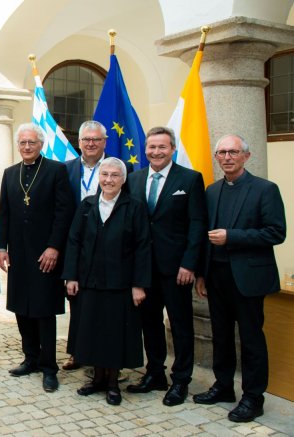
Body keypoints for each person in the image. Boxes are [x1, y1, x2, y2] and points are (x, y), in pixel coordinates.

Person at [194, 134, 286, 423]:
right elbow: (204, 235)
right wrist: (200, 274)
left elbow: (276, 232)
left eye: (233, 152)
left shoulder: (265, 189)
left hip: (247, 278)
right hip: (216, 276)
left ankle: (253, 397)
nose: (227, 157)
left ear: (246, 156)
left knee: (250, 339)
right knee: (220, 336)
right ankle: (223, 387)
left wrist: (231, 237)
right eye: (221, 152)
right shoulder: (211, 190)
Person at [125, 126, 207, 406]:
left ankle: (181, 380)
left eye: (162, 147)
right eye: (151, 147)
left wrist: (189, 264)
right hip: (144, 268)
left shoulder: (190, 179)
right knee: (149, 324)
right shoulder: (133, 179)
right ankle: (155, 373)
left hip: (176, 270)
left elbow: (197, 225)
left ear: (172, 149)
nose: (156, 152)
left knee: (181, 325)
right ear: (144, 150)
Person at [62, 157, 151, 406]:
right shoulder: (87, 204)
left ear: (123, 179)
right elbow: (74, 241)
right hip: (89, 280)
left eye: (114, 175)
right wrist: (71, 275)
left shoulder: (134, 206)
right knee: (91, 330)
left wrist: (138, 284)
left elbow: (142, 247)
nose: (108, 180)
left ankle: (112, 383)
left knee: (113, 333)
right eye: (105, 175)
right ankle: (97, 378)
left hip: (120, 283)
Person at [0, 123, 74, 392]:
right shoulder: (10, 173)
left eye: (32, 143)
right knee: (21, 307)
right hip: (18, 252)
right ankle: (30, 358)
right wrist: (1, 247)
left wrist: (54, 247)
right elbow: (4, 212)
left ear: (41, 144)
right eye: (23, 143)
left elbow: (64, 213)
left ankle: (49, 367)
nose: (27, 147)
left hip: (45, 254)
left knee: (43, 310)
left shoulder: (56, 170)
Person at [62, 120, 133, 371]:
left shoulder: (116, 169)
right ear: (79, 143)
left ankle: (105, 361)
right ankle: (78, 353)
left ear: (105, 142)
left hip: (111, 251)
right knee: (78, 304)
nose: (91, 143)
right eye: (86, 139)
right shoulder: (66, 169)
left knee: (105, 310)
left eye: (96, 139)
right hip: (77, 244)